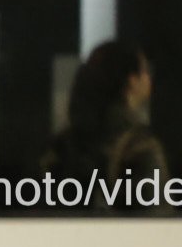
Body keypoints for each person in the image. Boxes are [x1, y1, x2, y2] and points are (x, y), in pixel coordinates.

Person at [37, 40, 170, 215]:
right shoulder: (140, 148)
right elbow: (158, 218)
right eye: (145, 71)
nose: (149, 79)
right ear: (132, 81)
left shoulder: (60, 146)